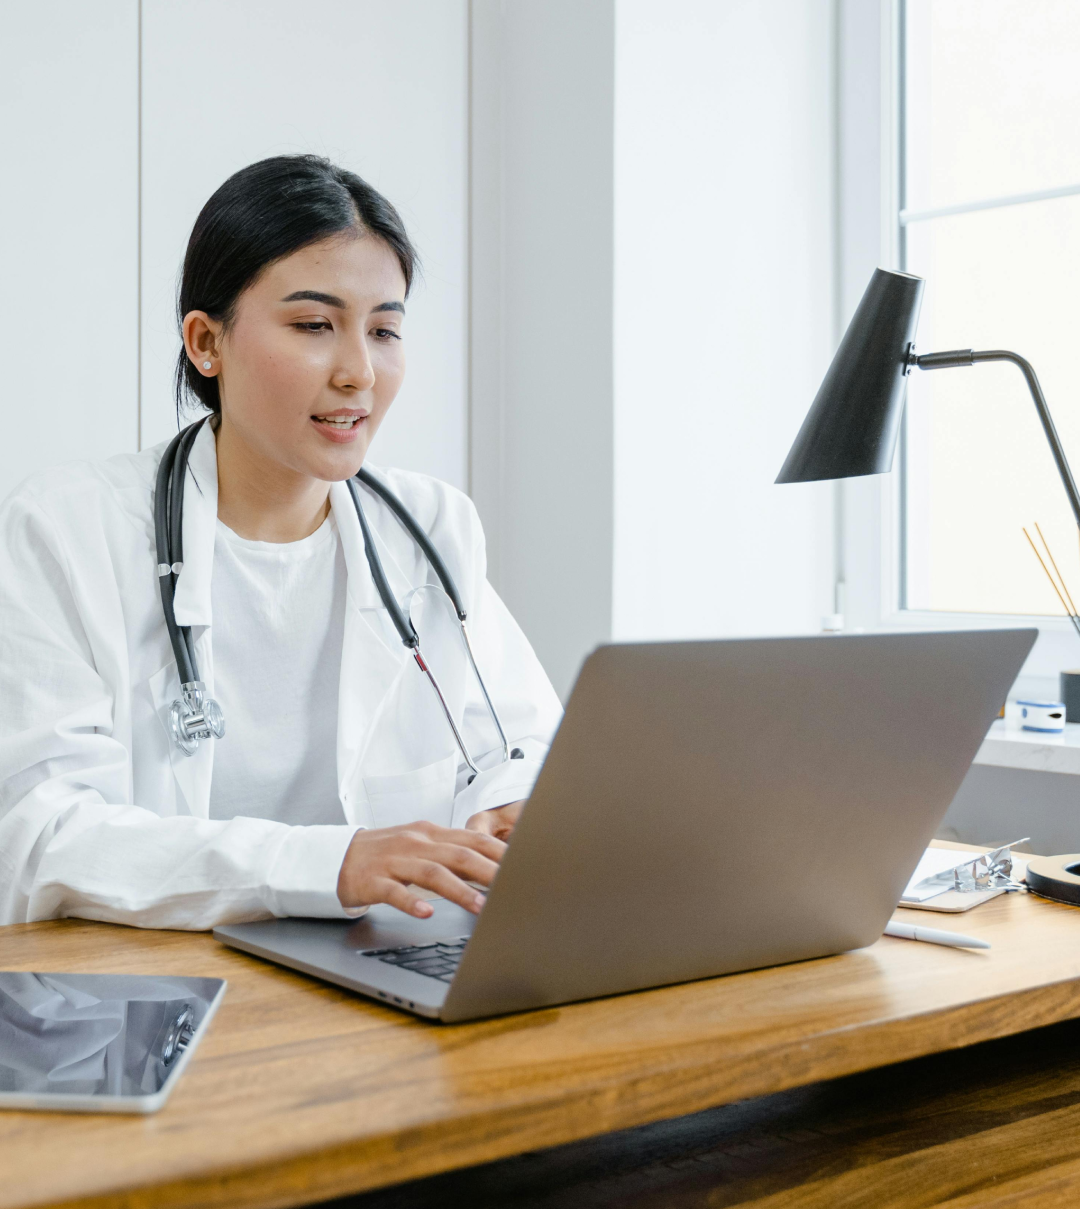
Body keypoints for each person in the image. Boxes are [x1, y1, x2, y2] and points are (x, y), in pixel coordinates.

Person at [0, 155, 562, 930]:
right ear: (206, 342)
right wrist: (326, 863)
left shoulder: (428, 529)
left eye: (385, 330)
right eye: (313, 325)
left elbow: (516, 741)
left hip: (377, 970)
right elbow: (40, 836)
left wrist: (512, 809)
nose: (360, 371)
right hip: (153, 995)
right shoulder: (68, 530)